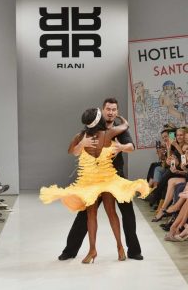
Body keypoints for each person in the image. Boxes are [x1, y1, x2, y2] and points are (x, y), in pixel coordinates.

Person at [40, 98, 149, 262]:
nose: (111, 112)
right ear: (102, 111)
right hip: (92, 180)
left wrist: (121, 147)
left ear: (116, 112)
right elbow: (74, 151)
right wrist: (82, 144)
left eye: (114, 109)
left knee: (127, 214)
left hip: (116, 177)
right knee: (84, 216)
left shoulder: (118, 132)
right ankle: (70, 251)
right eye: (108, 109)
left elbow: (131, 147)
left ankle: (133, 250)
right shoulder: (89, 132)